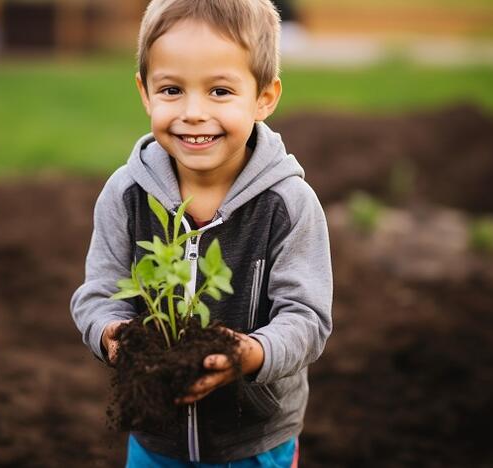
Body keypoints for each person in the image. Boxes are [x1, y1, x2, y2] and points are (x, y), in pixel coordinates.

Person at [70, 0, 332, 465]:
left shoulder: (288, 205)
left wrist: (251, 353)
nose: (193, 112)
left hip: (255, 441)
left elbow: (307, 318)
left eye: (219, 91)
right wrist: (112, 333)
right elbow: (98, 295)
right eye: (171, 89)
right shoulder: (127, 196)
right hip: (157, 438)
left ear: (264, 98)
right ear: (144, 92)